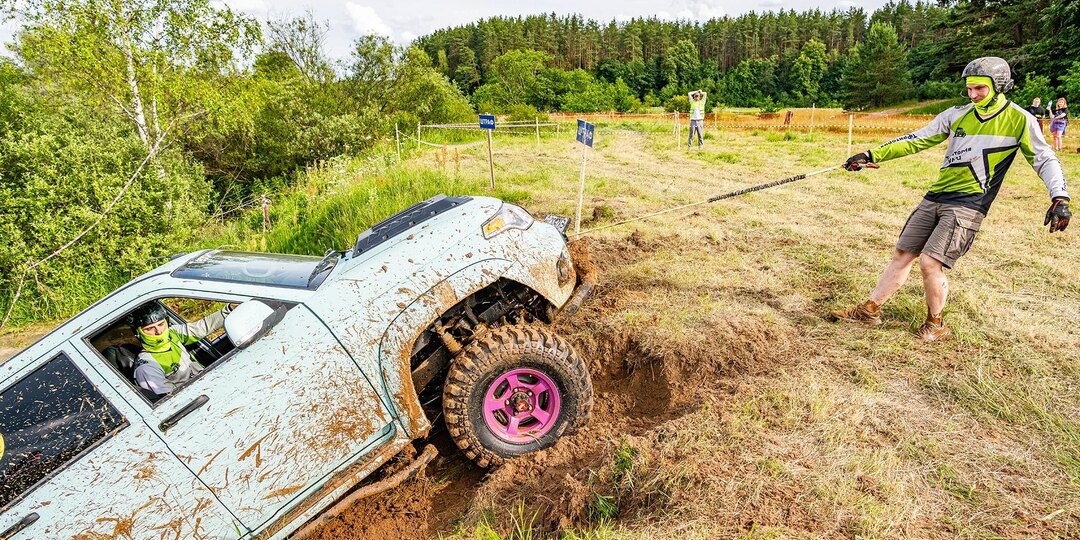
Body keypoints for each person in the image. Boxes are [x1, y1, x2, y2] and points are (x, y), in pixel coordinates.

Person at [834, 57, 1071, 342]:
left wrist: (1059, 197)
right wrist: (871, 155)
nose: (972, 95)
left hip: (969, 204)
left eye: (979, 89)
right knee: (903, 254)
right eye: (969, 89)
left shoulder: (1021, 119)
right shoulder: (957, 114)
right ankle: (869, 310)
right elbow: (917, 139)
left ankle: (936, 324)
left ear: (999, 86)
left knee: (931, 263)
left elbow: (1044, 159)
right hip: (935, 196)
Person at [127, 302, 234, 396]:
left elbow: (201, 327)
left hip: (211, 381)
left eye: (161, 324)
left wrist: (229, 309)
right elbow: (170, 400)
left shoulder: (172, 333)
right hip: (198, 397)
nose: (159, 331)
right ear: (138, 333)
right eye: (149, 329)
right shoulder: (146, 367)